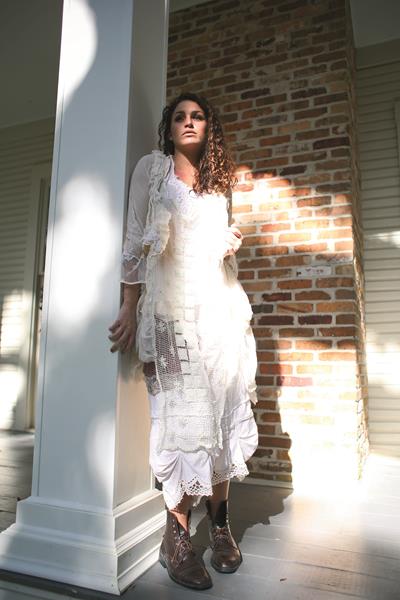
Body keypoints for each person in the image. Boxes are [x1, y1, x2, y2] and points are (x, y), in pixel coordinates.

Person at [108, 92, 258, 590]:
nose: (189, 122)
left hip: (218, 310)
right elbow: (135, 240)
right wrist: (128, 305)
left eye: (197, 117)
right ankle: (175, 537)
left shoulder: (217, 189)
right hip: (170, 314)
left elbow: (212, 254)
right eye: (180, 117)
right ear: (168, 127)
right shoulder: (152, 171)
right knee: (180, 420)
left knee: (222, 411)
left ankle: (220, 525)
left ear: (208, 128)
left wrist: (227, 245)